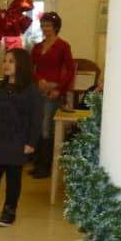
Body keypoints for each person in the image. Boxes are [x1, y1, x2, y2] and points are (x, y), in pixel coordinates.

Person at [0, 48, 42, 226]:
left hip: (18, 142)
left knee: (14, 179)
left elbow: (37, 118)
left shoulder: (31, 91)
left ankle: (9, 209)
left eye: (11, 61)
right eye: (5, 60)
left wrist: (32, 142)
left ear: (21, 65)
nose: (6, 64)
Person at [28, 12, 74, 179]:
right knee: (38, 125)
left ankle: (46, 167)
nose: (45, 28)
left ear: (55, 27)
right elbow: (30, 67)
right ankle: (37, 163)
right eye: (43, 25)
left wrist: (59, 90)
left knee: (47, 127)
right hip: (38, 89)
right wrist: (39, 80)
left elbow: (70, 70)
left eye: (48, 25)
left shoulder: (63, 46)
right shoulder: (38, 47)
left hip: (53, 91)